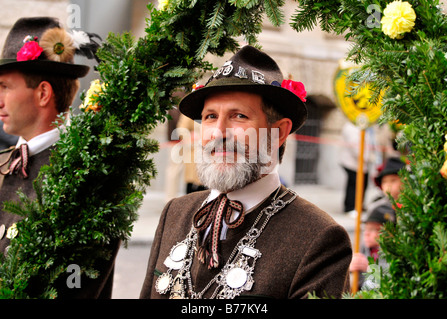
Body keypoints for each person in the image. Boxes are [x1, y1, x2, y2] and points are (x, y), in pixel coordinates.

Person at [140, 45, 352, 299]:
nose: (218, 132)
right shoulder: (174, 213)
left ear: (279, 132)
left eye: (238, 116)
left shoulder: (319, 238)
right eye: (209, 117)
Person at [0, 17, 115, 298]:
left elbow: (75, 287)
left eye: (4, 87)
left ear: (42, 93)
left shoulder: (85, 174)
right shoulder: (6, 162)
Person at [349, 157, 405, 289]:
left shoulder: (411, 210)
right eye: (385, 182)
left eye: (393, 180)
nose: (388, 186)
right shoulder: (377, 207)